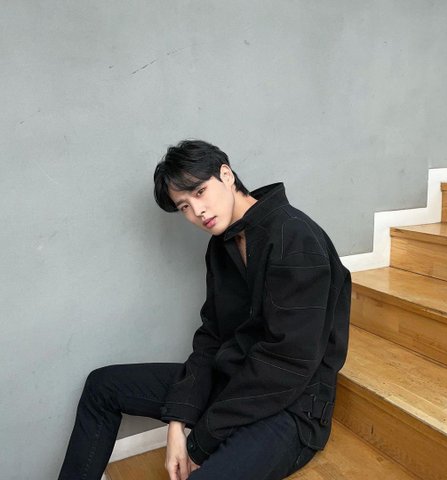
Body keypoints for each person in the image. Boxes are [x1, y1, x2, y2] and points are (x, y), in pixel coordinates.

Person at [57, 139, 351, 480]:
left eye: (199, 192)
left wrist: (199, 442)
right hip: (233, 382)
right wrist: (177, 420)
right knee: (102, 386)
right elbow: (212, 336)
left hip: (292, 408)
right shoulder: (221, 246)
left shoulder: (296, 237)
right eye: (184, 206)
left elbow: (288, 363)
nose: (197, 211)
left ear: (226, 175)